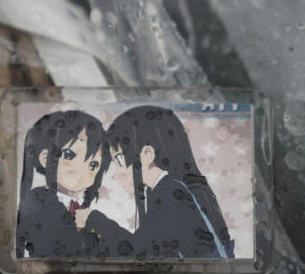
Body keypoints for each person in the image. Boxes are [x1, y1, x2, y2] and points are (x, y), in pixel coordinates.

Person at [76, 105, 234, 259]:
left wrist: (93, 219)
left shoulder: (170, 194)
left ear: (147, 154)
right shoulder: (163, 191)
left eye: (119, 160)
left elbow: (137, 252)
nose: (116, 175)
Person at [17, 110, 109, 258]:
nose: (81, 171)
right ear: (44, 158)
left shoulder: (76, 205)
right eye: (69, 155)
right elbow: (60, 249)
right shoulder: (39, 200)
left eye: (93, 165)